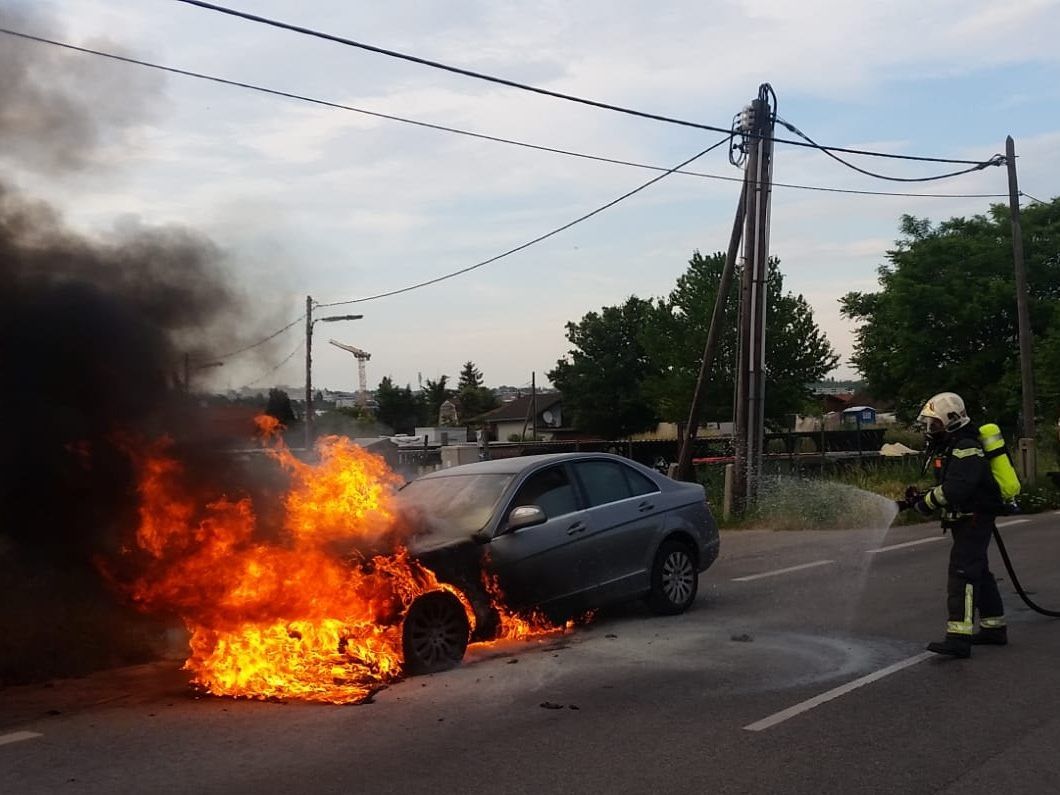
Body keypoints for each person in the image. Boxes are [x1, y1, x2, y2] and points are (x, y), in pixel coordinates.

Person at [896, 392, 1008, 658]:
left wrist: (927, 504)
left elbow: (958, 487)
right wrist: (920, 498)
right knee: (978, 571)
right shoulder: (954, 444)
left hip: (974, 517)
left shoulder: (966, 445)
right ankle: (994, 627)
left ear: (951, 420)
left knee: (962, 573)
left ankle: (959, 638)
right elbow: (951, 483)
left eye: (934, 424)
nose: (930, 429)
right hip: (969, 517)